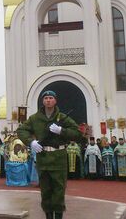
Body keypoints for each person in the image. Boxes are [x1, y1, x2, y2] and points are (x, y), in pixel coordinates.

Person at [16, 90, 83, 219]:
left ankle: (58, 216)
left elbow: (77, 133)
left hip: (58, 159)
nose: (48, 100)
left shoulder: (62, 118)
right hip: (43, 158)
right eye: (45, 98)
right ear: (43, 101)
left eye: (50, 98)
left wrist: (61, 131)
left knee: (58, 190)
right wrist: (31, 142)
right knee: (45, 191)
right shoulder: (35, 118)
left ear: (55, 100)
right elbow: (21, 130)